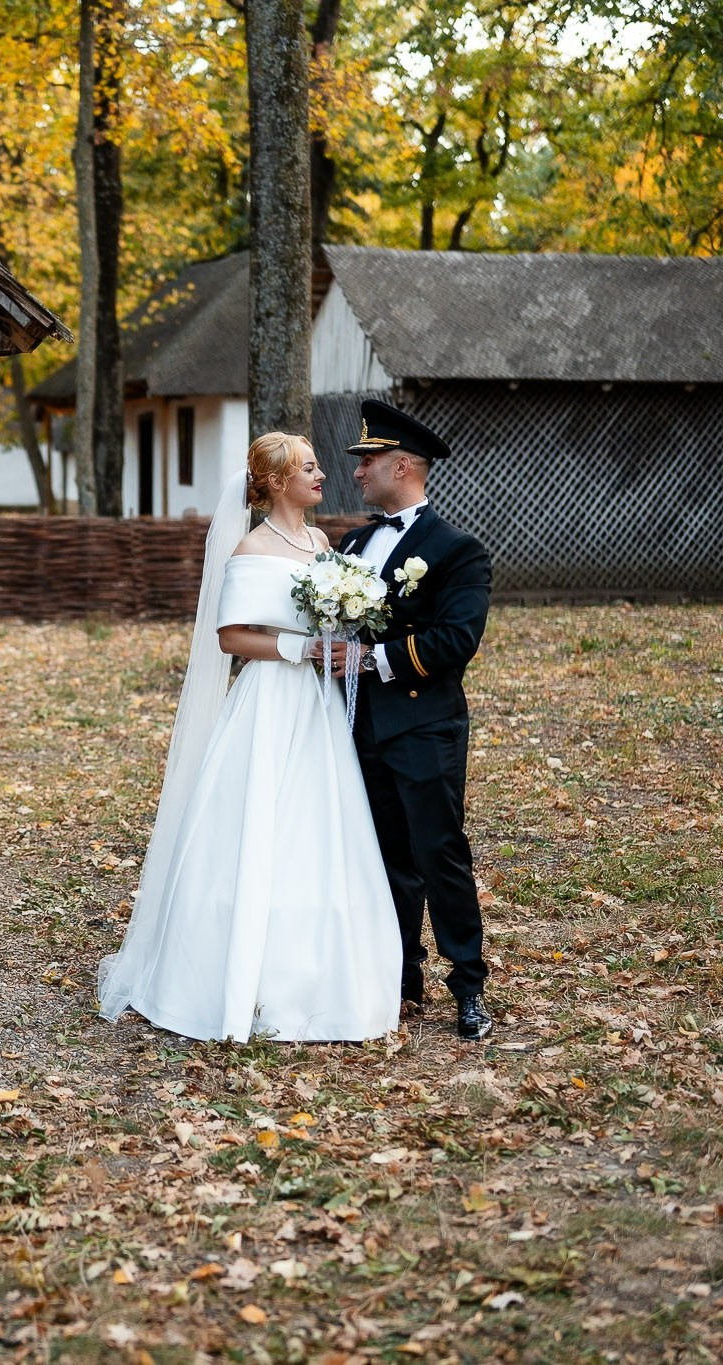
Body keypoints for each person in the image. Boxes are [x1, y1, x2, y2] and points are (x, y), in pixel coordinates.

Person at [96, 432, 401, 1043]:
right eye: (310, 469)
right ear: (279, 481)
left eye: (319, 467)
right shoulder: (251, 547)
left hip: (318, 706)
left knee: (317, 825)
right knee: (260, 820)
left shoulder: (319, 542)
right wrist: (301, 647)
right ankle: (232, 979)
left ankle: (321, 979)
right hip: (269, 700)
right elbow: (231, 637)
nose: (322, 477)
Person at [334, 399, 495, 1040]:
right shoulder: (352, 544)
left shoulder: (457, 551)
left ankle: (468, 985)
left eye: (367, 461)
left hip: (423, 726)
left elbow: (456, 641)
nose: (357, 473)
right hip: (356, 727)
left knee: (438, 854)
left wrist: (372, 660)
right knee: (384, 857)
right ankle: (401, 977)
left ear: (402, 465)